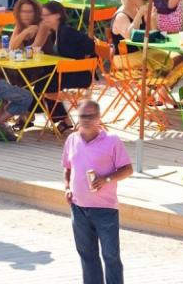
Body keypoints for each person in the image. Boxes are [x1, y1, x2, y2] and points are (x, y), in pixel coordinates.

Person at [63, 100, 133, 284]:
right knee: (87, 256)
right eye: (82, 116)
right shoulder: (72, 139)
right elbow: (67, 168)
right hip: (78, 208)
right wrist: (67, 187)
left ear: (99, 118)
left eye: (90, 116)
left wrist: (106, 179)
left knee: (110, 256)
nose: (85, 120)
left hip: (105, 209)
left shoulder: (112, 141)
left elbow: (127, 169)